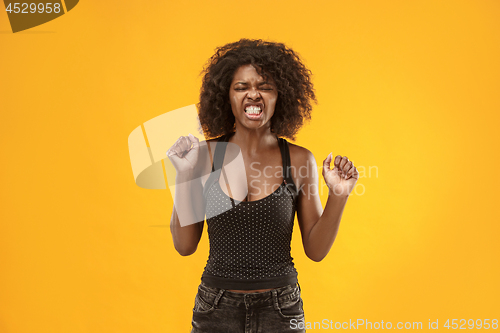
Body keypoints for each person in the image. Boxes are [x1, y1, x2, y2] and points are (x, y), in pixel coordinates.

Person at [167, 39, 359, 333]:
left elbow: (316, 250)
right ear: (226, 96)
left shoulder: (298, 159)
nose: (253, 94)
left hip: (280, 309)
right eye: (241, 87)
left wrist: (339, 194)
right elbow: (184, 245)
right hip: (215, 308)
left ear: (279, 96)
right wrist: (183, 174)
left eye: (265, 87)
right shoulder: (204, 156)